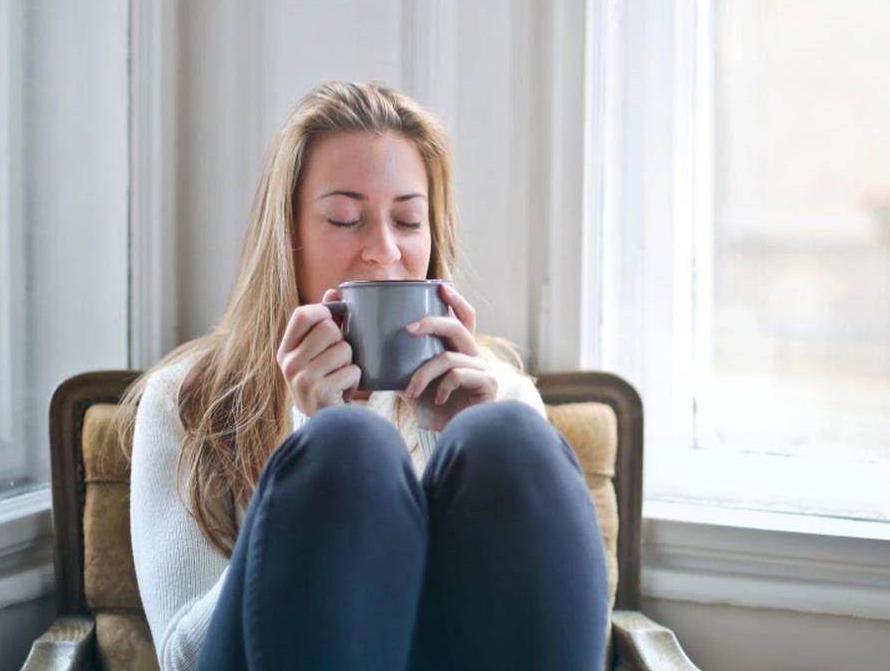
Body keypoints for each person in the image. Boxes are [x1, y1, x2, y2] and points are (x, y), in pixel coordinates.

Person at [116, 81, 608, 671]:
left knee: (510, 435)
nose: (383, 250)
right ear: (289, 235)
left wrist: (450, 433)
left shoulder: (496, 390)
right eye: (345, 219)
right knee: (349, 447)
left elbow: (549, 623)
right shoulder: (184, 398)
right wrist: (312, 440)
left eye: (407, 220)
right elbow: (183, 658)